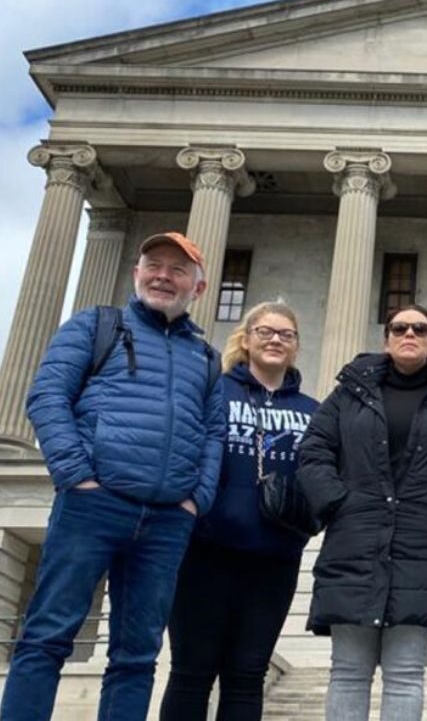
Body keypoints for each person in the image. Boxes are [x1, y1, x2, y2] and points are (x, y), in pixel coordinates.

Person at [0, 232, 224, 721]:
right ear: (136, 273)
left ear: (199, 288)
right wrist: (75, 474)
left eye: (178, 269)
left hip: (167, 517)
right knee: (47, 635)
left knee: (137, 655)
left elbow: (213, 433)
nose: (163, 276)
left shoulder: (205, 357)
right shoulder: (95, 325)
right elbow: (46, 397)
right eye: (154, 265)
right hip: (94, 504)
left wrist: (196, 498)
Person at [297, 305, 427, 721]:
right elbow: (313, 451)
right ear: (386, 339)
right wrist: (335, 501)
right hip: (355, 541)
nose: (410, 333)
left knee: (406, 674)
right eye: (399, 328)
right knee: (348, 672)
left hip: (423, 544)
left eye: (420, 328)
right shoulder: (346, 397)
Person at [160, 301, 319, 721]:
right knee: (191, 672)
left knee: (247, 675)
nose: (275, 340)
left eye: (286, 334)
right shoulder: (215, 392)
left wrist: (310, 522)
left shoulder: (312, 411)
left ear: (296, 347)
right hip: (205, 552)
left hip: (275, 558)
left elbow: (322, 478)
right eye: (265, 331)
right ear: (246, 339)